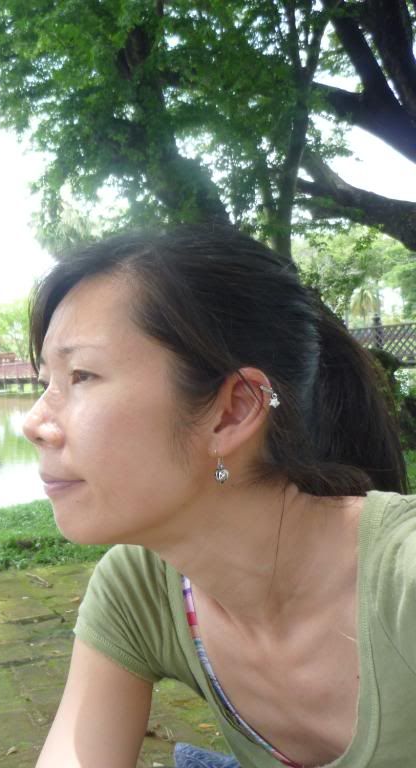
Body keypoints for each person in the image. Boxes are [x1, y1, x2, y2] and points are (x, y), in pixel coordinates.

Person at [22, 227, 416, 768]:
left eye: (81, 375)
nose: (33, 423)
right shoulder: (140, 590)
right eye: (45, 381)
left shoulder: (403, 583)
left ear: (233, 411)